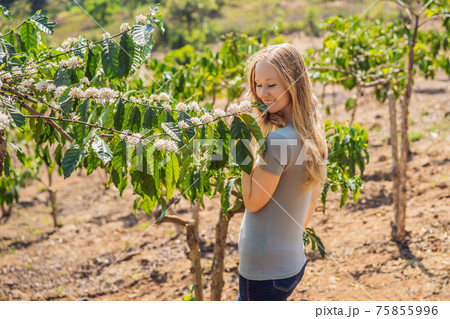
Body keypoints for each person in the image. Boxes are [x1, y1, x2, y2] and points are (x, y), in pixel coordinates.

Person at [236, 43, 328, 301]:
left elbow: (253, 203)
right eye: (257, 84)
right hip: (291, 262)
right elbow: (311, 198)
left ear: (293, 83)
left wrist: (243, 145)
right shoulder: (311, 130)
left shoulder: (278, 141)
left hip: (264, 271)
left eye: (271, 85)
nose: (262, 93)